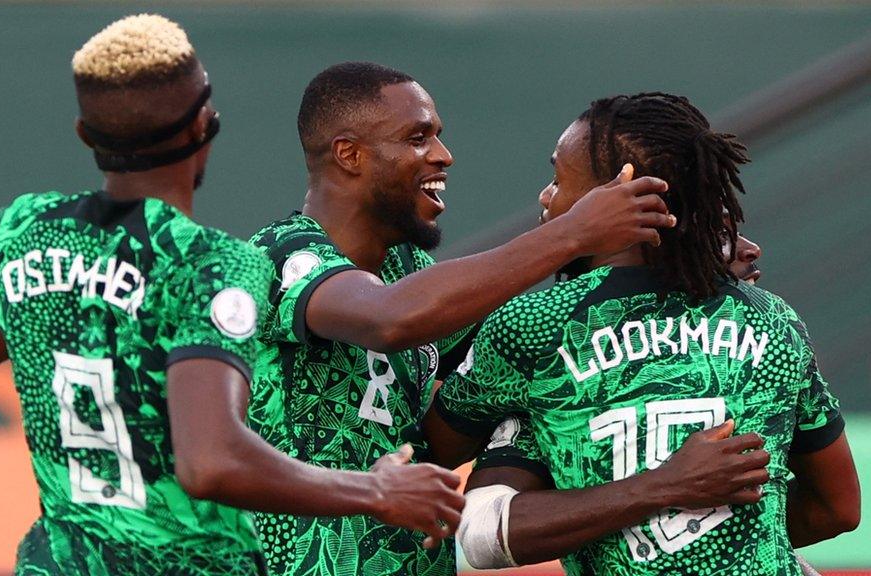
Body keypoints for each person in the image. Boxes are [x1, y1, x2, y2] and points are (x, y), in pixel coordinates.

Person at [0, 17, 464, 575]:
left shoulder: (18, 232)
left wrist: (57, 317)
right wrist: (375, 490)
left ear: (85, 134)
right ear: (203, 125)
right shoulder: (212, 265)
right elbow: (211, 462)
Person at [246, 62, 676, 576]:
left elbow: (521, 344)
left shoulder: (405, 270)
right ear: (349, 154)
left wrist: (693, 273)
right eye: (417, 137)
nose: (442, 156)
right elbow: (389, 319)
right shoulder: (278, 257)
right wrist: (573, 234)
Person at [427, 92, 860, 575]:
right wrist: (715, 532)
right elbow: (836, 509)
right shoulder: (774, 320)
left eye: (558, 179)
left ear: (618, 195)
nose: (546, 197)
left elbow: (454, 488)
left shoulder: (533, 326)